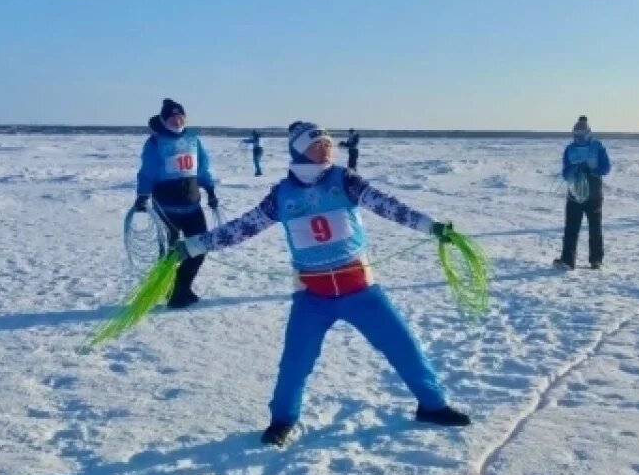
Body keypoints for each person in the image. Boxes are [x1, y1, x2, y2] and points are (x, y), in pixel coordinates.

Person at [175, 121, 471, 446]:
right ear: (300, 149)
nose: (327, 147)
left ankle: (432, 405)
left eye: (329, 142)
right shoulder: (281, 196)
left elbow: (389, 206)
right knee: (295, 363)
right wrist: (193, 246)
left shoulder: (344, 181)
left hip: (361, 291)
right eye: (318, 144)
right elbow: (242, 228)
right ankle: (282, 421)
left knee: (403, 346)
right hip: (312, 298)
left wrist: (433, 227)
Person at [134, 98, 220, 308]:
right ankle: (172, 291)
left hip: (193, 207)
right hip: (166, 209)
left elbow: (203, 168)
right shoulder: (155, 142)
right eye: (171, 117)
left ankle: (183, 286)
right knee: (169, 254)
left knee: (199, 249)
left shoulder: (193, 139)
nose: (176, 120)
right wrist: (142, 195)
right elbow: (148, 171)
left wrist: (210, 190)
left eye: (180, 116)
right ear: (164, 120)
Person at [554, 116, 611, 270]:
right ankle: (568, 260)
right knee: (572, 226)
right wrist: (574, 168)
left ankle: (596, 260)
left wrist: (593, 169)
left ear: (588, 133)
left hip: (594, 192)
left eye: (582, 135)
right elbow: (565, 174)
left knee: (595, 227)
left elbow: (606, 168)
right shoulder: (570, 149)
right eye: (576, 135)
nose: (579, 138)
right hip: (575, 192)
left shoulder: (598, 147)